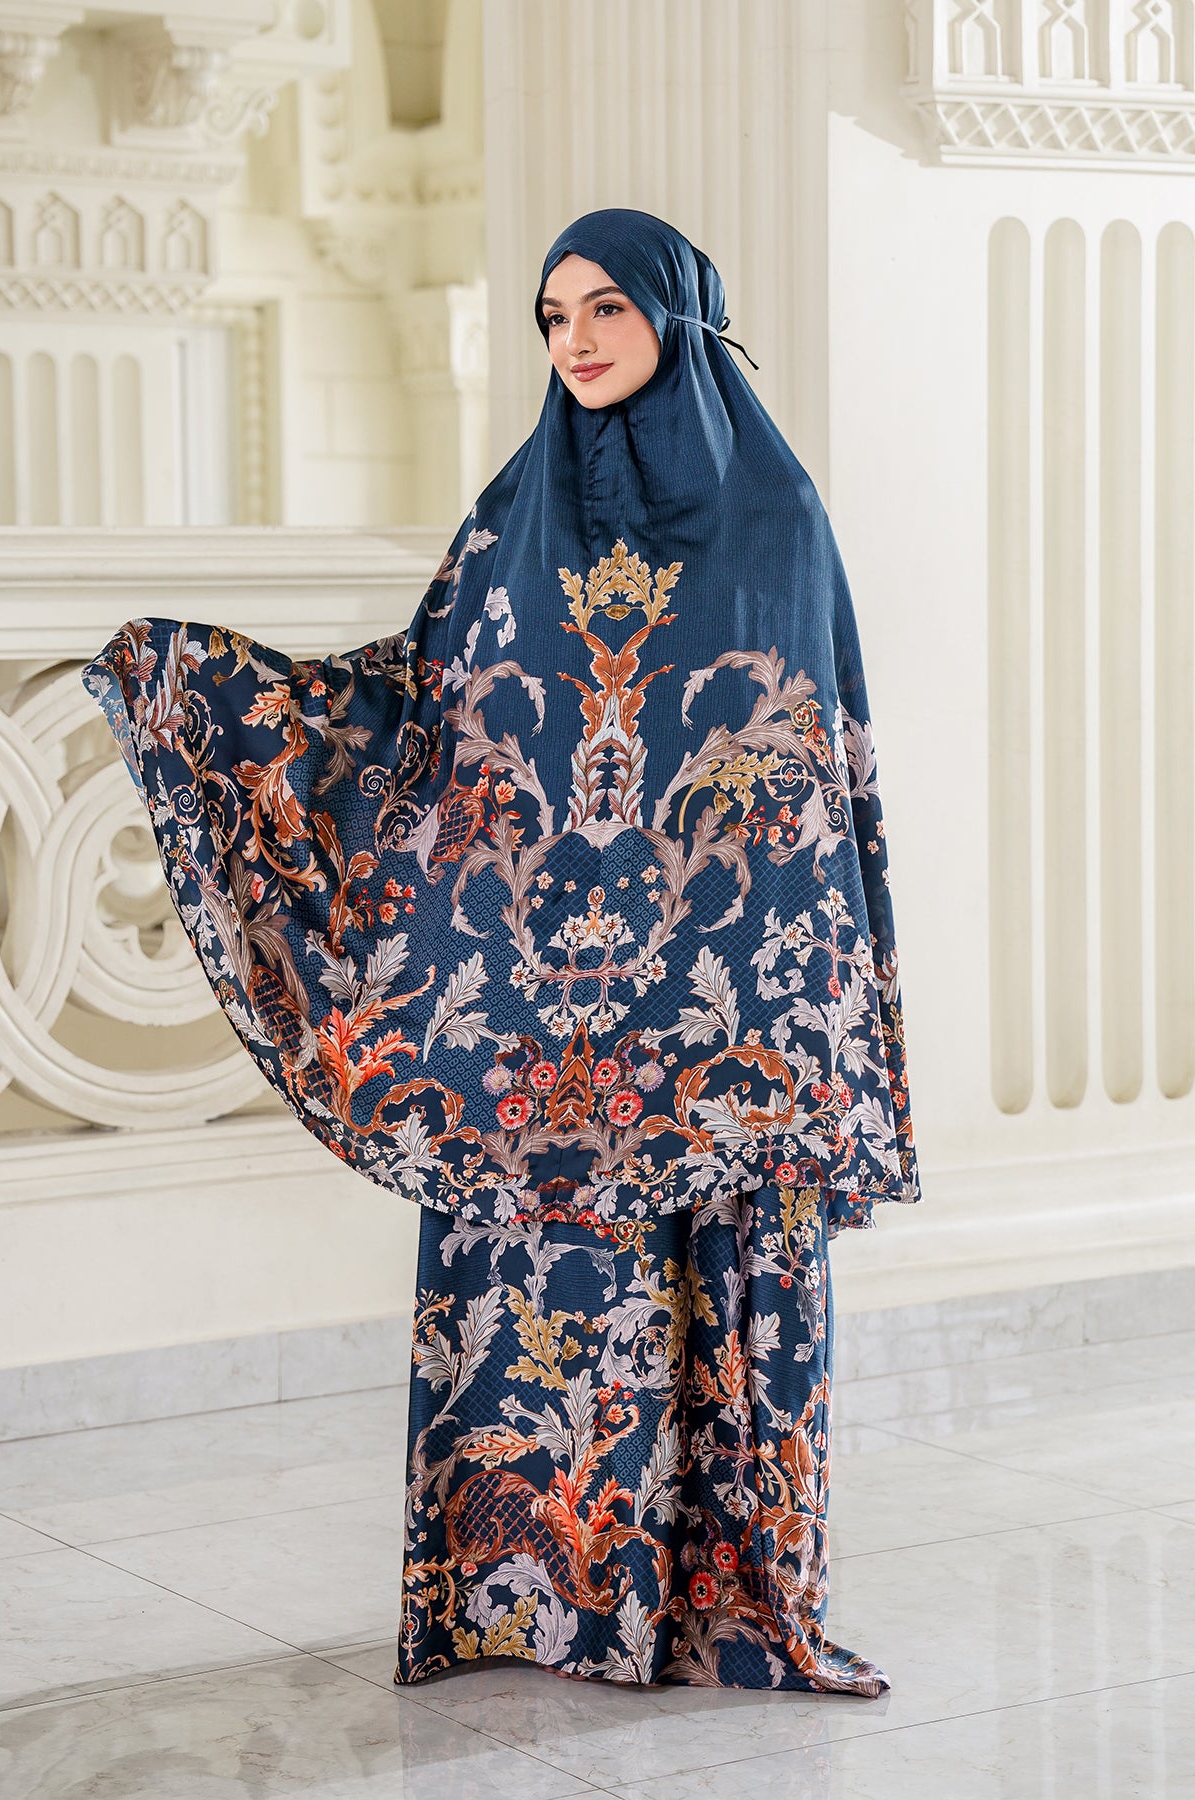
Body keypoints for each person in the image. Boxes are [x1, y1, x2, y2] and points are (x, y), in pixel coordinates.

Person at [81, 208, 921, 1695]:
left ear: (679, 316)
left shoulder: (776, 518)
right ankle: (532, 1603)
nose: (575, 341)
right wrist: (211, 694)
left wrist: (767, 1001)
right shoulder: (511, 518)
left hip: (720, 1009)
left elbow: (807, 776)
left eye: (606, 308)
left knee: (713, 1284)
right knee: (540, 1296)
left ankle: (721, 1607)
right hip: (544, 1013)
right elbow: (426, 716)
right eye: (552, 316)